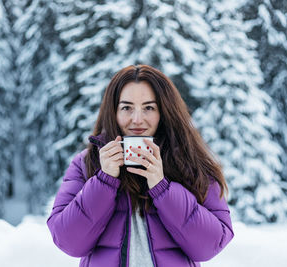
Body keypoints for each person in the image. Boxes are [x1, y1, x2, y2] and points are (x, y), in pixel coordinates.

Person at [47, 64, 234, 267]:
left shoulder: (190, 163)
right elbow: (67, 241)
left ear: (164, 111)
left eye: (149, 108)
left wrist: (162, 188)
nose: (137, 120)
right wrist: (104, 181)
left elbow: (210, 245)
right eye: (126, 107)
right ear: (113, 112)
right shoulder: (87, 163)